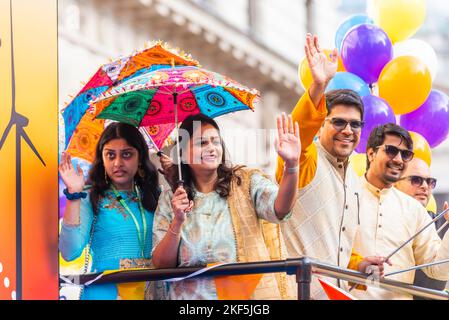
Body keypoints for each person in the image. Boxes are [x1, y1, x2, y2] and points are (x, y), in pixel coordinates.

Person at [276, 34, 386, 299]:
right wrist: (317, 86)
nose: (348, 130)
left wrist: (359, 264)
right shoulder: (305, 158)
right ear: (320, 123)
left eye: (355, 124)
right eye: (338, 122)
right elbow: (298, 136)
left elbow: (335, 249)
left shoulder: (354, 177)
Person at [151, 113, 300, 300]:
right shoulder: (170, 199)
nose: (212, 148)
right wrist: (177, 222)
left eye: (215, 141)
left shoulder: (244, 182)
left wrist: (292, 166)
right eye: (202, 143)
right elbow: (161, 265)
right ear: (183, 154)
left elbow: (280, 209)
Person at [59, 122, 161, 300]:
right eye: (110, 155)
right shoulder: (91, 196)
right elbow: (69, 252)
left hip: (150, 291)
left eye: (127, 154)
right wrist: (74, 195)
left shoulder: (155, 195)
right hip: (106, 293)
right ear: (102, 158)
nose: (118, 163)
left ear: (140, 157)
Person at [352, 123, 449, 300]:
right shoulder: (346, 193)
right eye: (391, 150)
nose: (398, 159)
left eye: (405, 154)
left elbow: (437, 270)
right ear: (371, 153)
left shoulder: (414, 210)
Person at [395, 157, 449, 297]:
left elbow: (438, 273)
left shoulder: (440, 221)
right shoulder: (378, 212)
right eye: (416, 180)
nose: (425, 186)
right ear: (395, 183)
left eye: (430, 182)